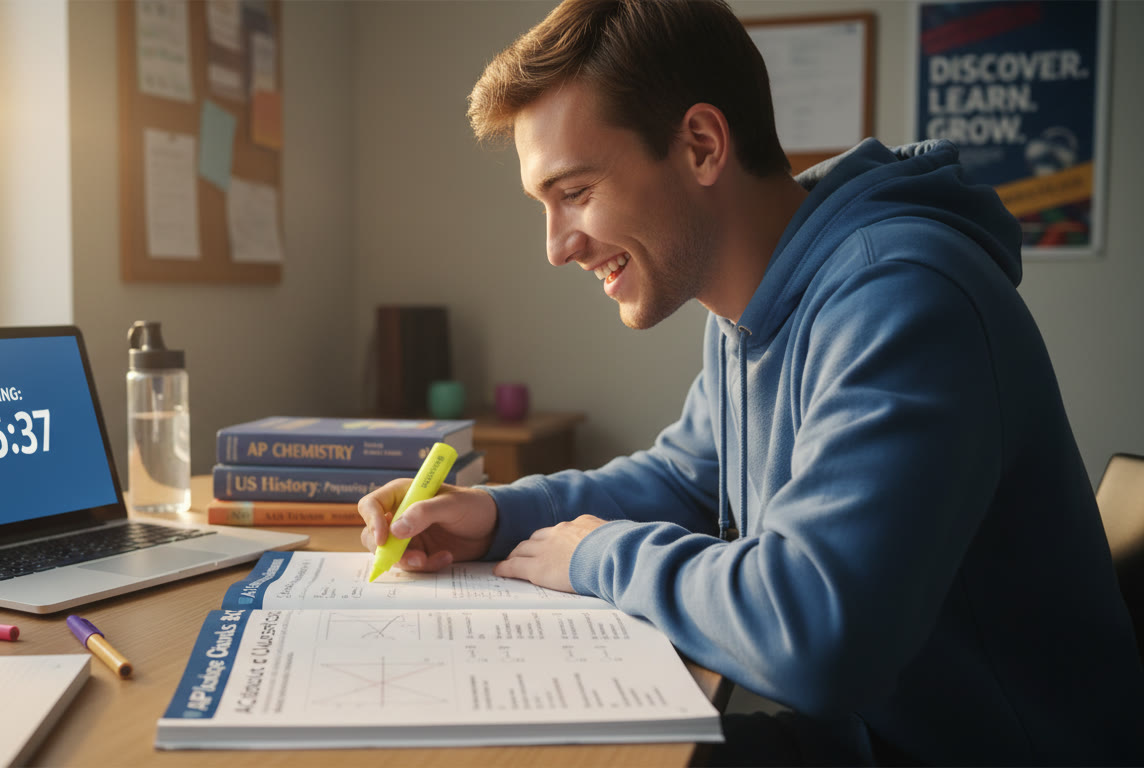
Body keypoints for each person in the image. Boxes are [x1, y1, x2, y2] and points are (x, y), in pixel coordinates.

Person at [358, 0, 1144, 763]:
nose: (558, 247)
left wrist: (598, 555)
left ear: (701, 145)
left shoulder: (904, 297)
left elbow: (818, 633)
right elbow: (688, 478)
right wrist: (497, 512)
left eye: (575, 193)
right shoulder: (752, 306)